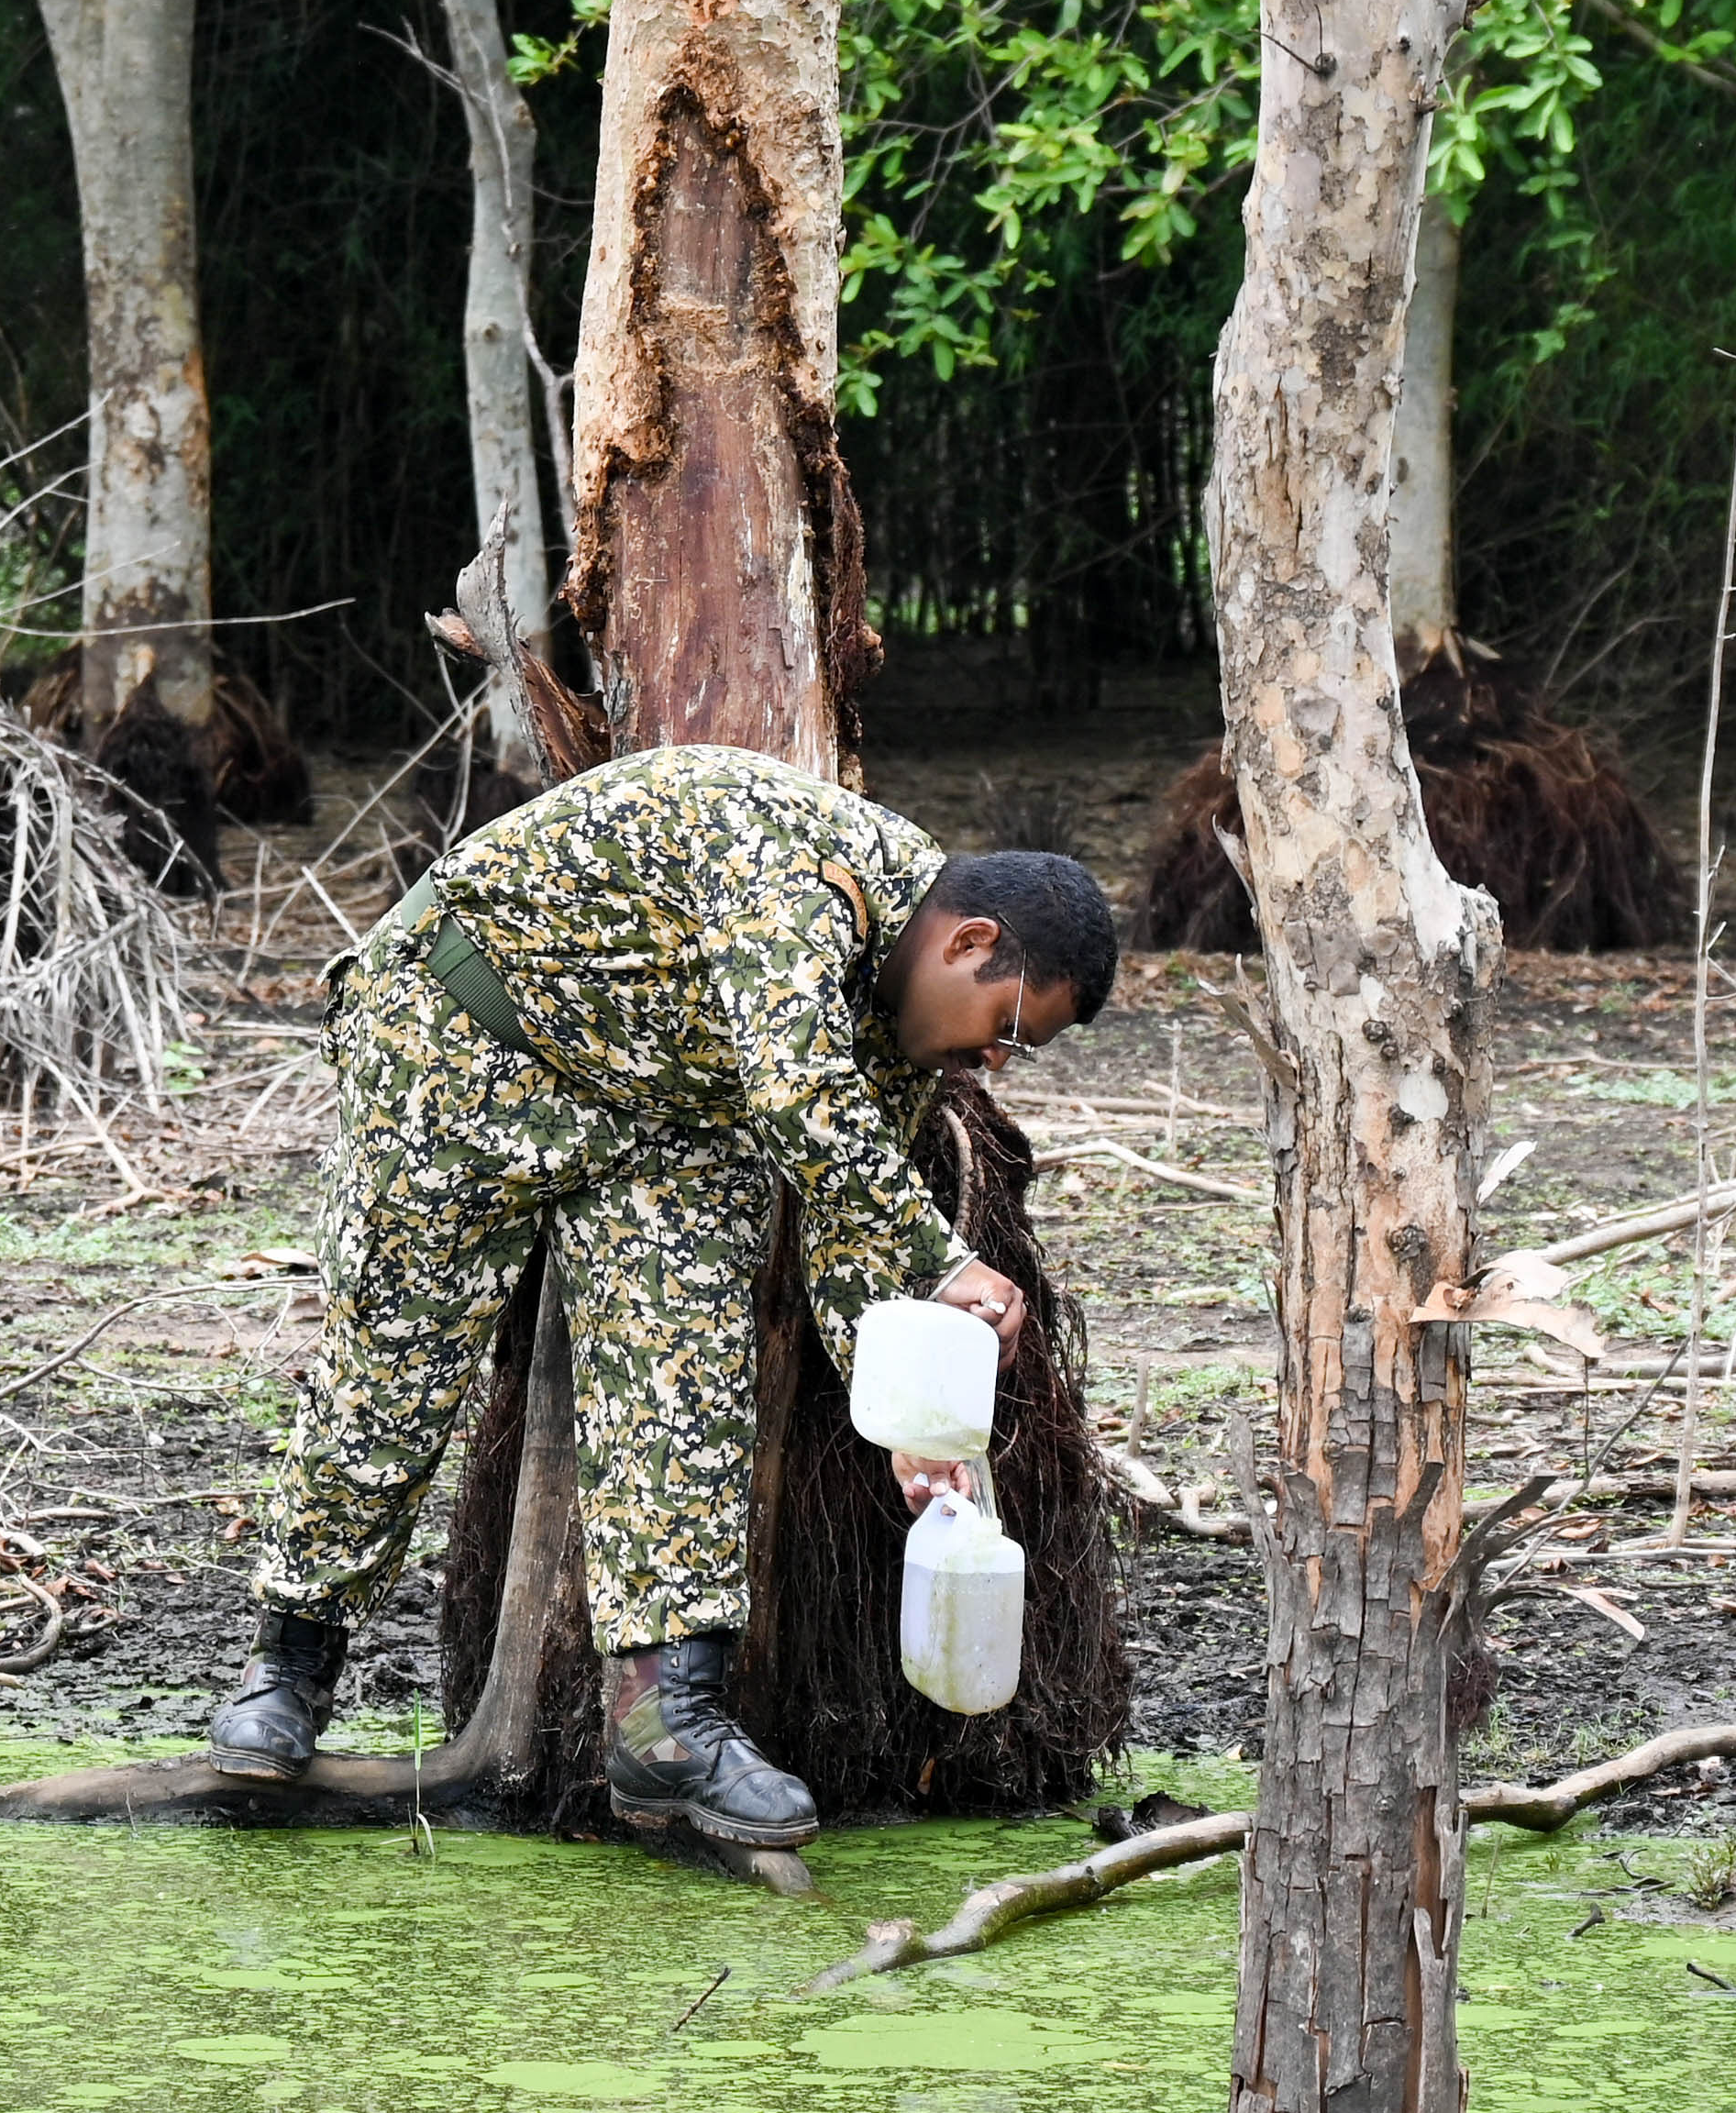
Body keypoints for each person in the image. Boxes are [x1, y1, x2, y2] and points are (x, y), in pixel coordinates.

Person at [202, 745, 1117, 1851]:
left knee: (684, 1376)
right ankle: (288, 1668)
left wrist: (912, 1422)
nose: (997, 1066)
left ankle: (665, 1722)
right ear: (968, 943)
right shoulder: (804, 872)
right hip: (461, 1037)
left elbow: (846, 1215)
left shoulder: (896, 1029)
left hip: (658, 1122)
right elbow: (797, 1092)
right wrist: (946, 1262)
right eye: (1011, 1028)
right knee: (396, 1359)